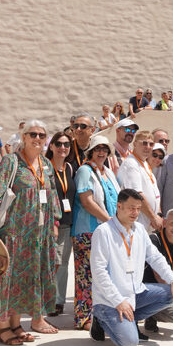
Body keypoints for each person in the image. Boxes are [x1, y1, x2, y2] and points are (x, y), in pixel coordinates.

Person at [0, 119, 61, 344]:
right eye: (33, 134)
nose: (37, 139)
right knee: (9, 278)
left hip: (37, 234)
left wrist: (54, 221)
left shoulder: (46, 164)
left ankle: (16, 323)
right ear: (24, 137)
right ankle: (3, 326)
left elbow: (51, 194)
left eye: (42, 135)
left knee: (25, 280)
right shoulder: (11, 162)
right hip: (14, 232)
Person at [89, 189, 173, 346]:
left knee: (172, 294)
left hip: (135, 293)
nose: (135, 213)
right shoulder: (103, 232)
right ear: (119, 206)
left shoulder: (140, 229)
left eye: (138, 209)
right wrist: (118, 301)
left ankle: (129, 319)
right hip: (110, 300)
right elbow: (99, 273)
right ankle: (101, 318)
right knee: (129, 343)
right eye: (131, 208)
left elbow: (155, 257)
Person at [72, 134, 119, 330]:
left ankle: (100, 314)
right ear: (91, 151)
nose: (101, 152)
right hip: (88, 231)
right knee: (86, 275)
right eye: (98, 149)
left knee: (102, 274)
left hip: (106, 230)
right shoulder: (85, 171)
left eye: (105, 149)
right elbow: (87, 201)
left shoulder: (107, 171)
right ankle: (84, 318)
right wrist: (110, 221)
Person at [45, 131, 75, 316]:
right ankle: (46, 299)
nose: (62, 147)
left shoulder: (70, 168)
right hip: (49, 224)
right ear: (51, 146)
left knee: (62, 264)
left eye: (66, 144)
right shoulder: (45, 167)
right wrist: (52, 222)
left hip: (67, 224)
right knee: (49, 263)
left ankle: (57, 300)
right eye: (58, 144)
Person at [115, 130, 163, 232]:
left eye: (151, 144)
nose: (148, 147)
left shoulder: (144, 163)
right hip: (136, 221)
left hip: (147, 222)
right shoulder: (131, 164)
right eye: (144, 143)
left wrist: (158, 214)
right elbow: (136, 194)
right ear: (135, 144)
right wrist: (153, 217)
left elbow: (155, 194)